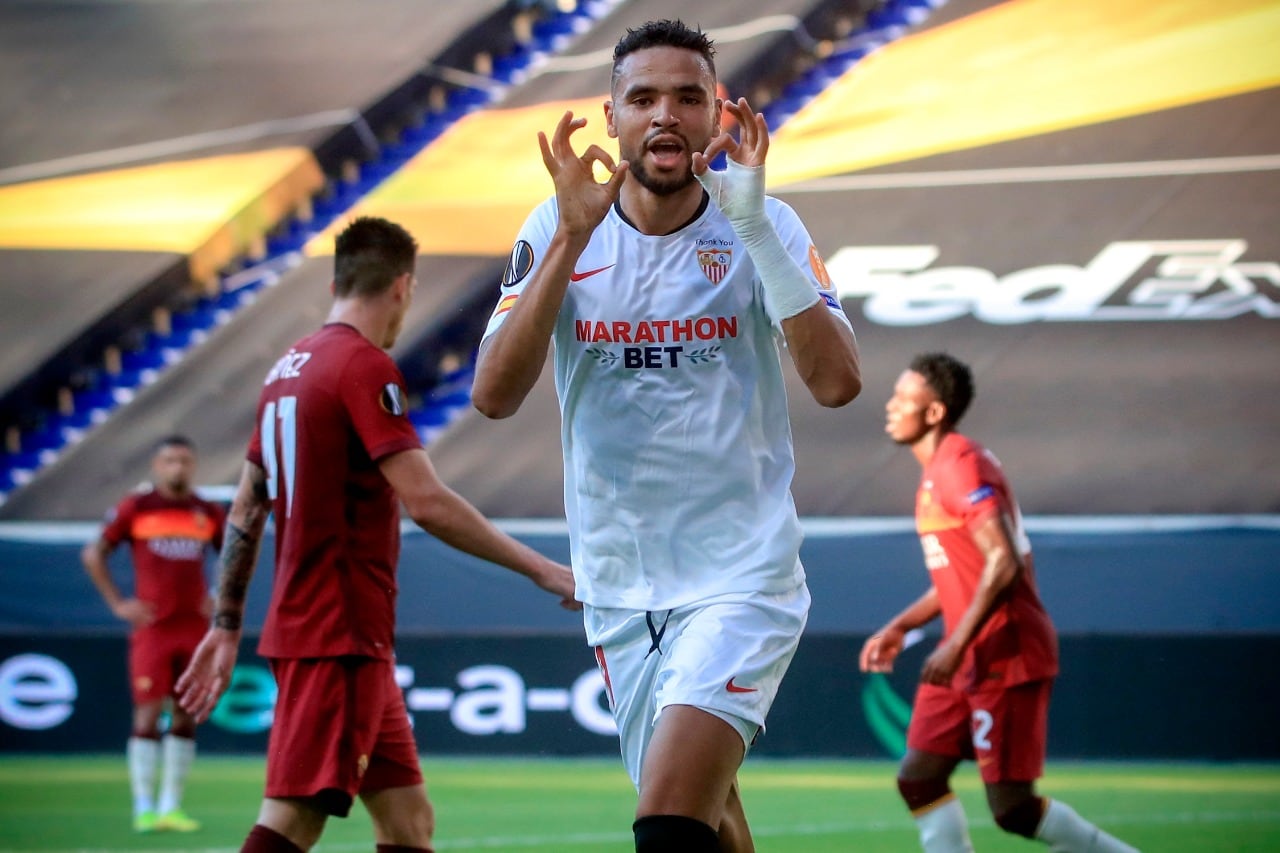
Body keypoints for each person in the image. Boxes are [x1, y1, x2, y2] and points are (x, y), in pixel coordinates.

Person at [471, 19, 862, 852]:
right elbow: (494, 396)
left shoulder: (764, 222)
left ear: (717, 116)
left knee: (668, 823)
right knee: (713, 817)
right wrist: (572, 237)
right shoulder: (557, 226)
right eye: (643, 98)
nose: (666, 116)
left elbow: (838, 385)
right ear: (610, 118)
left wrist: (755, 228)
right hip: (619, 585)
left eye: (689, 97)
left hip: (739, 576)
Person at [173, 216, 579, 853]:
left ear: (337, 280)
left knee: (408, 821)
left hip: (327, 631)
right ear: (402, 288)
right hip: (339, 633)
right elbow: (426, 503)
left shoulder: (287, 369)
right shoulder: (363, 367)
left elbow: (248, 507)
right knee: (293, 819)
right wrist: (543, 569)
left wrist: (226, 626)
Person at [860, 352, 1139, 853]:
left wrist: (954, 644)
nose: (890, 406)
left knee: (1012, 808)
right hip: (965, 650)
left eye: (903, 397)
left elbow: (1003, 561)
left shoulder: (961, 466)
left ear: (934, 413)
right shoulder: (936, 474)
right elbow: (961, 577)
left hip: (1004, 653)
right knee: (918, 778)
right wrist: (902, 625)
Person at [81, 434, 226, 834]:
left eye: (184, 460)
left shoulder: (206, 510)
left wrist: (218, 595)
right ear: (156, 465)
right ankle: (143, 807)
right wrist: (118, 604)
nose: (177, 468)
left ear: (193, 465)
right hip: (154, 628)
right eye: (170, 461)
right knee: (146, 714)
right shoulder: (137, 507)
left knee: (186, 715)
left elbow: (233, 554)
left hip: (194, 629)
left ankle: (171, 807)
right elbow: (94, 553)